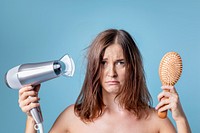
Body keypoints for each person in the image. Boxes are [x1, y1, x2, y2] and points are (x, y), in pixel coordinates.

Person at [18, 29, 191, 133]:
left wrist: (180, 119)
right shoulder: (72, 117)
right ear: (94, 67)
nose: (111, 73)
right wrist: (31, 118)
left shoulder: (155, 120)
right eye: (103, 63)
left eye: (120, 63)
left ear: (133, 67)